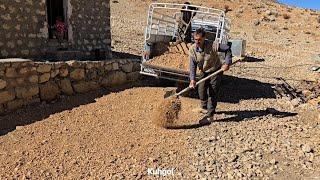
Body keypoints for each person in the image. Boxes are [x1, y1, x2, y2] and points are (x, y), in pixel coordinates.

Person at [189, 28, 232, 123]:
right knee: (201, 90)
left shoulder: (212, 45)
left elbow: (227, 49)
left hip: (215, 70)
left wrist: (227, 63)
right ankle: (204, 107)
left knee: (212, 92)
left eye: (199, 39)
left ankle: (210, 115)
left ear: (204, 38)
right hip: (203, 71)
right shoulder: (192, 49)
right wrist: (192, 79)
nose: (197, 41)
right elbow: (192, 65)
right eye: (195, 39)